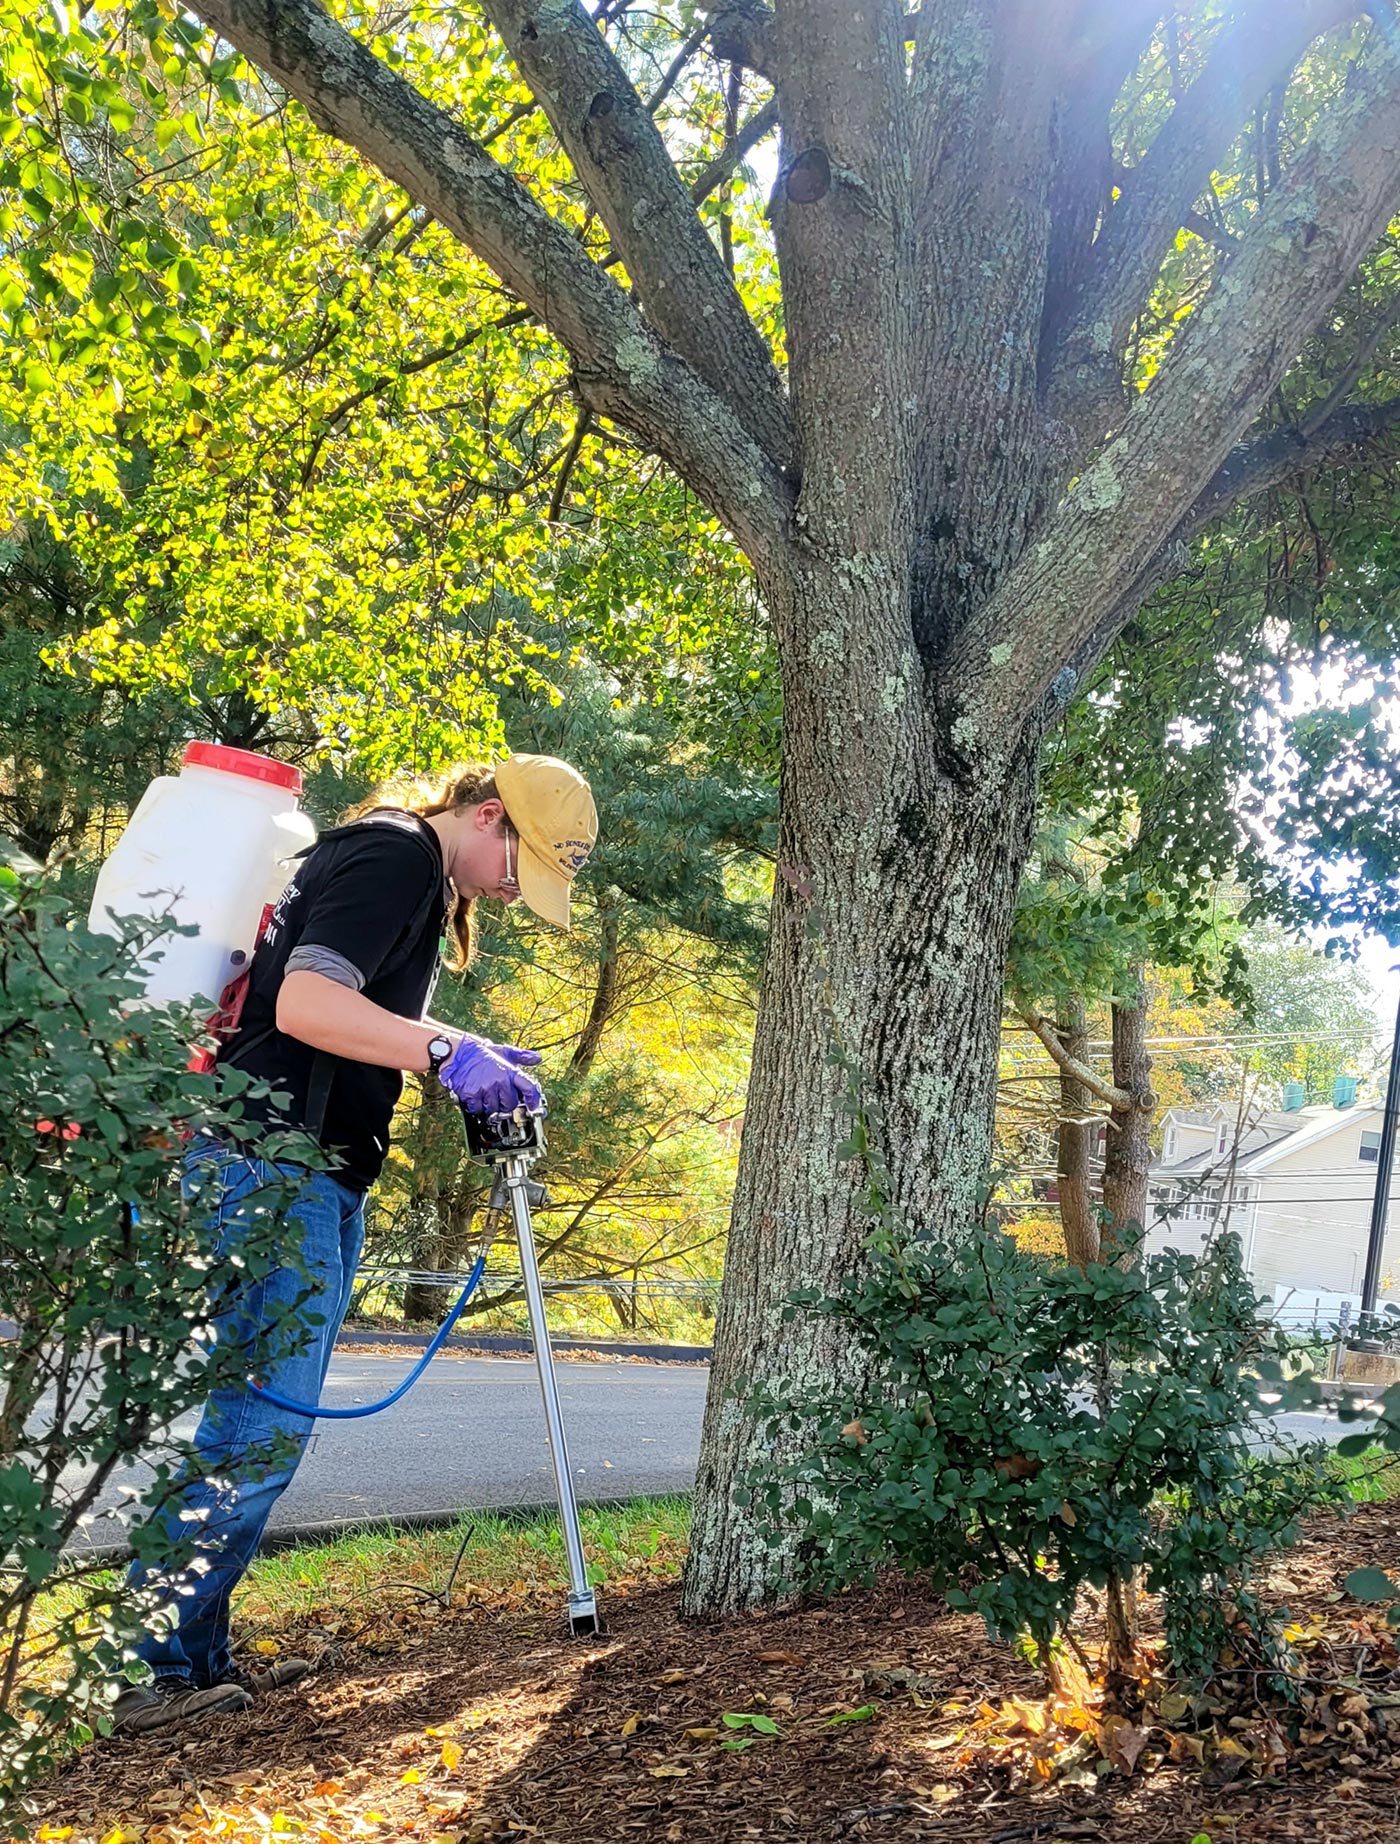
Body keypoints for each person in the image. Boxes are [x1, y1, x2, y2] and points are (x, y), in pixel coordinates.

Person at [112, 753, 597, 1735]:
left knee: (258, 1421)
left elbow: (349, 1006)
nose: (510, 891)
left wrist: (460, 1041)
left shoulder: (398, 861)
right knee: (259, 1424)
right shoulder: (397, 856)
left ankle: (190, 1655)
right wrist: (443, 1051)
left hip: (300, 1168)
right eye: (518, 866)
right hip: (272, 1165)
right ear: (489, 813)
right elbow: (304, 1006)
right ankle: (149, 1669)